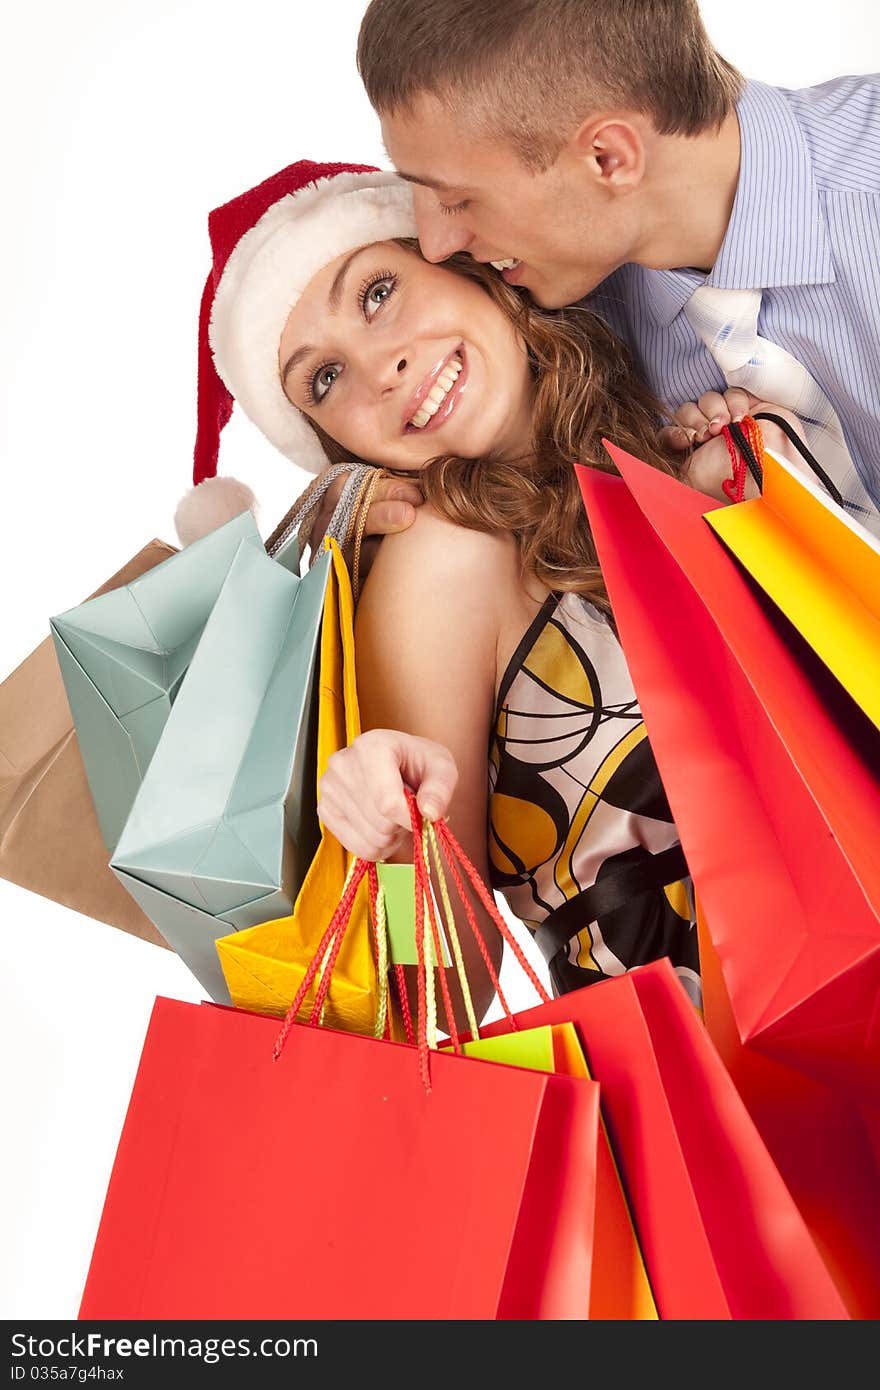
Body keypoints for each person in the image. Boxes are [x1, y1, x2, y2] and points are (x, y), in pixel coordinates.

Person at [181, 159, 805, 1021]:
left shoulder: (654, 400)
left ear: (464, 259)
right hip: (710, 1089)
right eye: (323, 380)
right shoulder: (439, 563)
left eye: (377, 293)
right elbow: (437, 992)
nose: (382, 367)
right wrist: (401, 855)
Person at [355, 0, 880, 538]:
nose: (437, 245)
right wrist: (351, 507)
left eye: (460, 200)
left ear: (608, 158)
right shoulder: (563, 325)